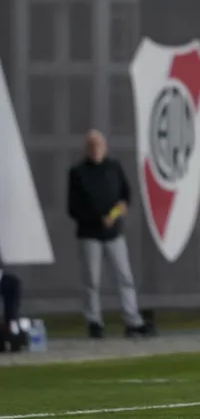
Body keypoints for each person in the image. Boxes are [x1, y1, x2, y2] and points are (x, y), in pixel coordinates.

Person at [67, 130, 153, 339]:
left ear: (104, 147)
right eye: (91, 146)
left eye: (98, 145)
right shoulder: (78, 172)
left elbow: (126, 194)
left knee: (125, 277)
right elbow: (73, 208)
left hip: (114, 233)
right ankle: (94, 322)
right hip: (90, 234)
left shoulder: (114, 167)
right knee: (92, 281)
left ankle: (132, 320)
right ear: (86, 149)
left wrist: (118, 210)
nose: (95, 149)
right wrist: (97, 218)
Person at [0, 259, 23, 352]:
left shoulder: (12, 281)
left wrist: (13, 313)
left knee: (12, 326)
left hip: (10, 311)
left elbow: (15, 299)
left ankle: (15, 344)